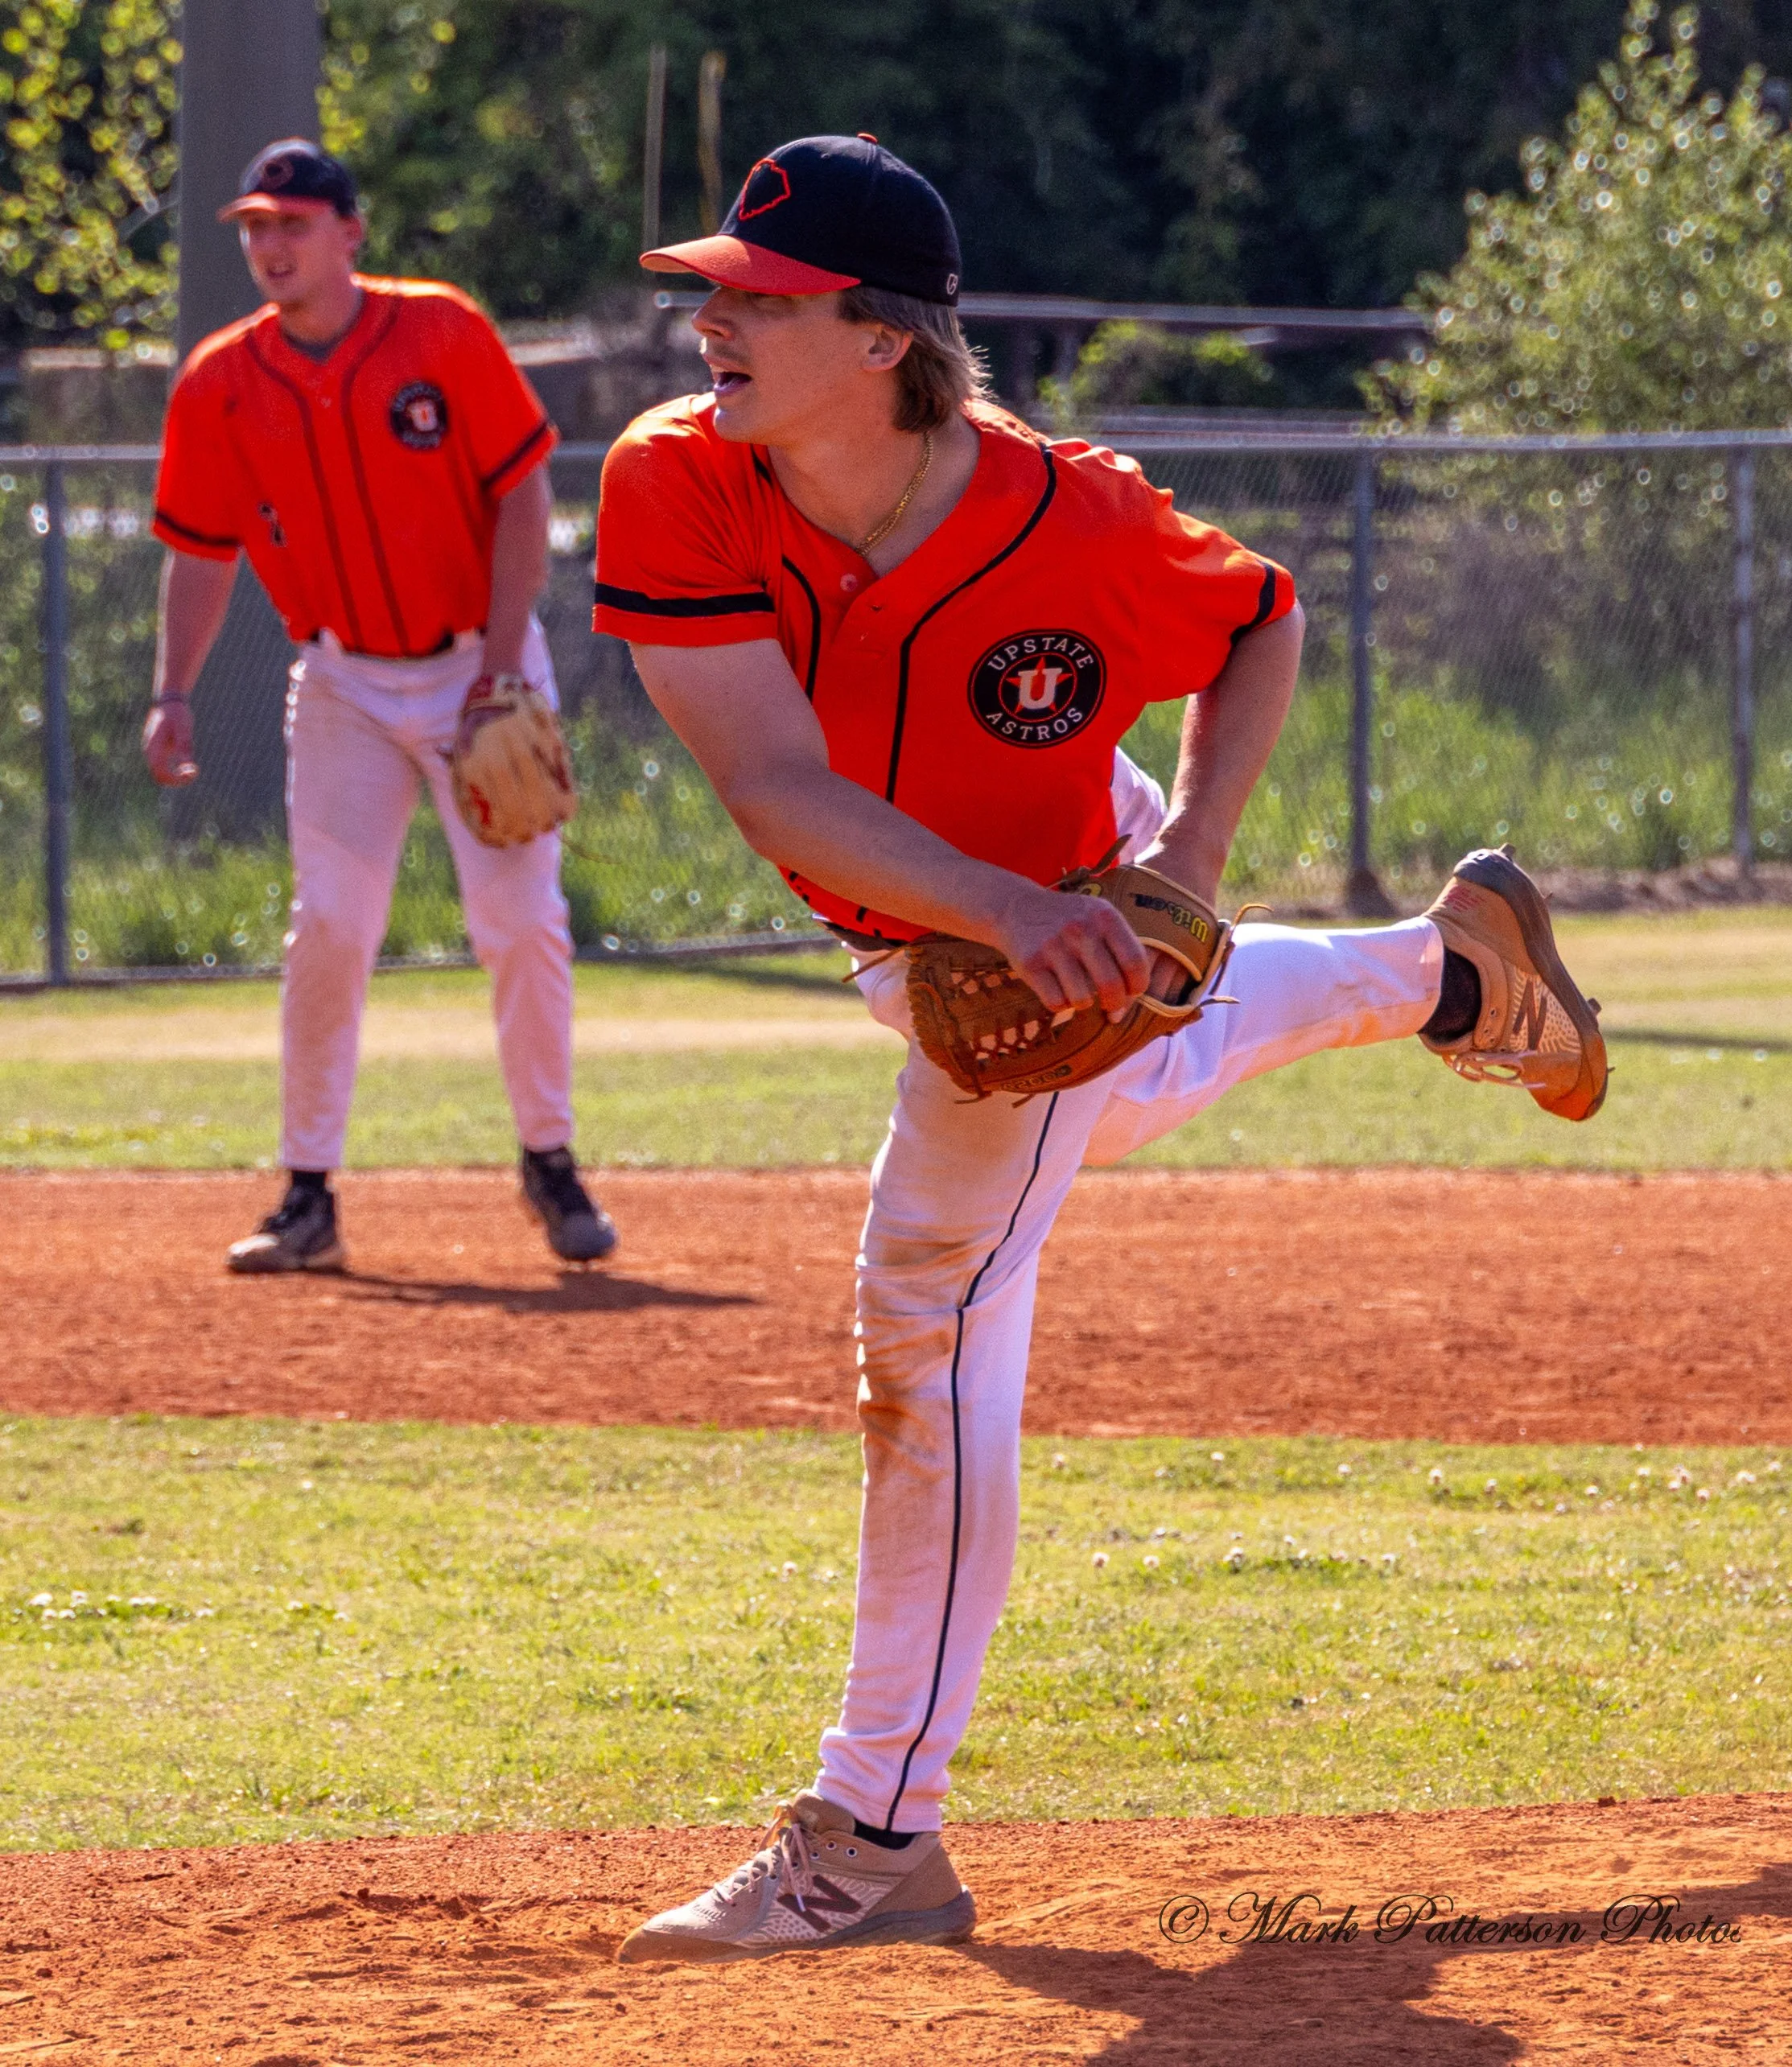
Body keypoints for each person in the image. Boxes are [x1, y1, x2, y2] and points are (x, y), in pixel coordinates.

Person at [592, 134, 1608, 1962]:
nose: (710, 325)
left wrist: (1185, 873)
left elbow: (1262, 618)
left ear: (882, 338)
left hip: (1061, 879)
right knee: (1111, 1077)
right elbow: (776, 785)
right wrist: (1012, 914)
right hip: (959, 913)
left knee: (928, 1308)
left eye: (760, 300)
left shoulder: (1075, 517)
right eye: (716, 293)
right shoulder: (678, 479)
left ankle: (877, 1830)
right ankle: (1450, 978)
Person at [144, 138, 616, 1274]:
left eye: (292, 224)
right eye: (256, 227)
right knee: (331, 927)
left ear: (348, 233)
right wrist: (172, 690)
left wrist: (500, 671)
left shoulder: (441, 331)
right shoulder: (221, 379)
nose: (271, 245)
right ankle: (307, 1195)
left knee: (521, 922)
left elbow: (523, 498)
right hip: (343, 681)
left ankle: (550, 1161)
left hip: (475, 666)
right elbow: (200, 551)